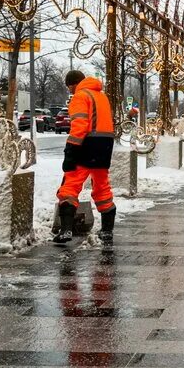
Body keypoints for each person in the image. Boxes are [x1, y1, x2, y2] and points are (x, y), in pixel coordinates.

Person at [56, 69, 116, 243]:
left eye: (69, 87)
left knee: (70, 185)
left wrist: (70, 150)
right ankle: (107, 230)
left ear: (74, 83)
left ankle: (66, 230)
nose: (70, 91)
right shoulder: (102, 96)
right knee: (102, 186)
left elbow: (80, 126)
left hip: (85, 145)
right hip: (104, 146)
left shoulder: (80, 96)